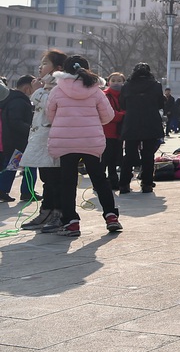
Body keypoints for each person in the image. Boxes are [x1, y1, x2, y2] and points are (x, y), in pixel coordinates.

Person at [45, 55, 119, 236]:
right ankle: (111, 216)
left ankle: (71, 222)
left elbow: (49, 115)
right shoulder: (96, 91)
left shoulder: (57, 90)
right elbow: (108, 116)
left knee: (67, 182)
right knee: (99, 179)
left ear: (64, 70)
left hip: (65, 141)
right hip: (91, 141)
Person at [20, 51, 69, 230]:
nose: (40, 67)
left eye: (45, 63)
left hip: (54, 139)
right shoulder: (46, 84)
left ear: (58, 68)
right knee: (46, 177)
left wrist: (38, 91)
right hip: (42, 139)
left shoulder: (61, 85)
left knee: (55, 178)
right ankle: (46, 211)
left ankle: (57, 213)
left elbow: (51, 111)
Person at [118, 62, 164, 194]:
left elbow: (123, 105)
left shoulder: (127, 86)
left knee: (129, 154)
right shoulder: (156, 85)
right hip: (151, 121)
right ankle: (147, 183)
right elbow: (160, 104)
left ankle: (124, 184)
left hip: (132, 122)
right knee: (148, 154)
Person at [0, 75, 35, 202]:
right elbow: (16, 122)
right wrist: (32, 129)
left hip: (15, 141)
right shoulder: (19, 101)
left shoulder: (14, 99)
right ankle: (27, 192)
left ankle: (3, 190)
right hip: (19, 141)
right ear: (27, 88)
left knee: (12, 167)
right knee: (30, 166)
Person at [101, 73, 126, 191]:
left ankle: (113, 180)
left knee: (115, 159)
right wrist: (124, 115)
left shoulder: (125, 96)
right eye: (114, 80)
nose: (116, 83)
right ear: (108, 82)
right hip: (106, 132)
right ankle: (101, 182)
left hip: (119, 133)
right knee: (105, 159)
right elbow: (109, 114)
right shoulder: (105, 96)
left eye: (119, 80)